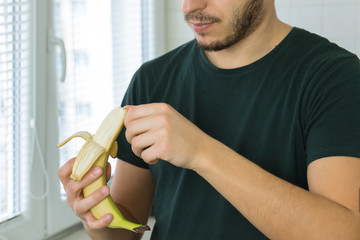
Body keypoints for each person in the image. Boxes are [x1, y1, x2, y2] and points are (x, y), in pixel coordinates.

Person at [58, 0, 360, 239]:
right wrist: (94, 216)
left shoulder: (335, 78)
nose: (189, 7)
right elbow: (128, 230)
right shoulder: (152, 80)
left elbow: (343, 233)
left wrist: (200, 152)